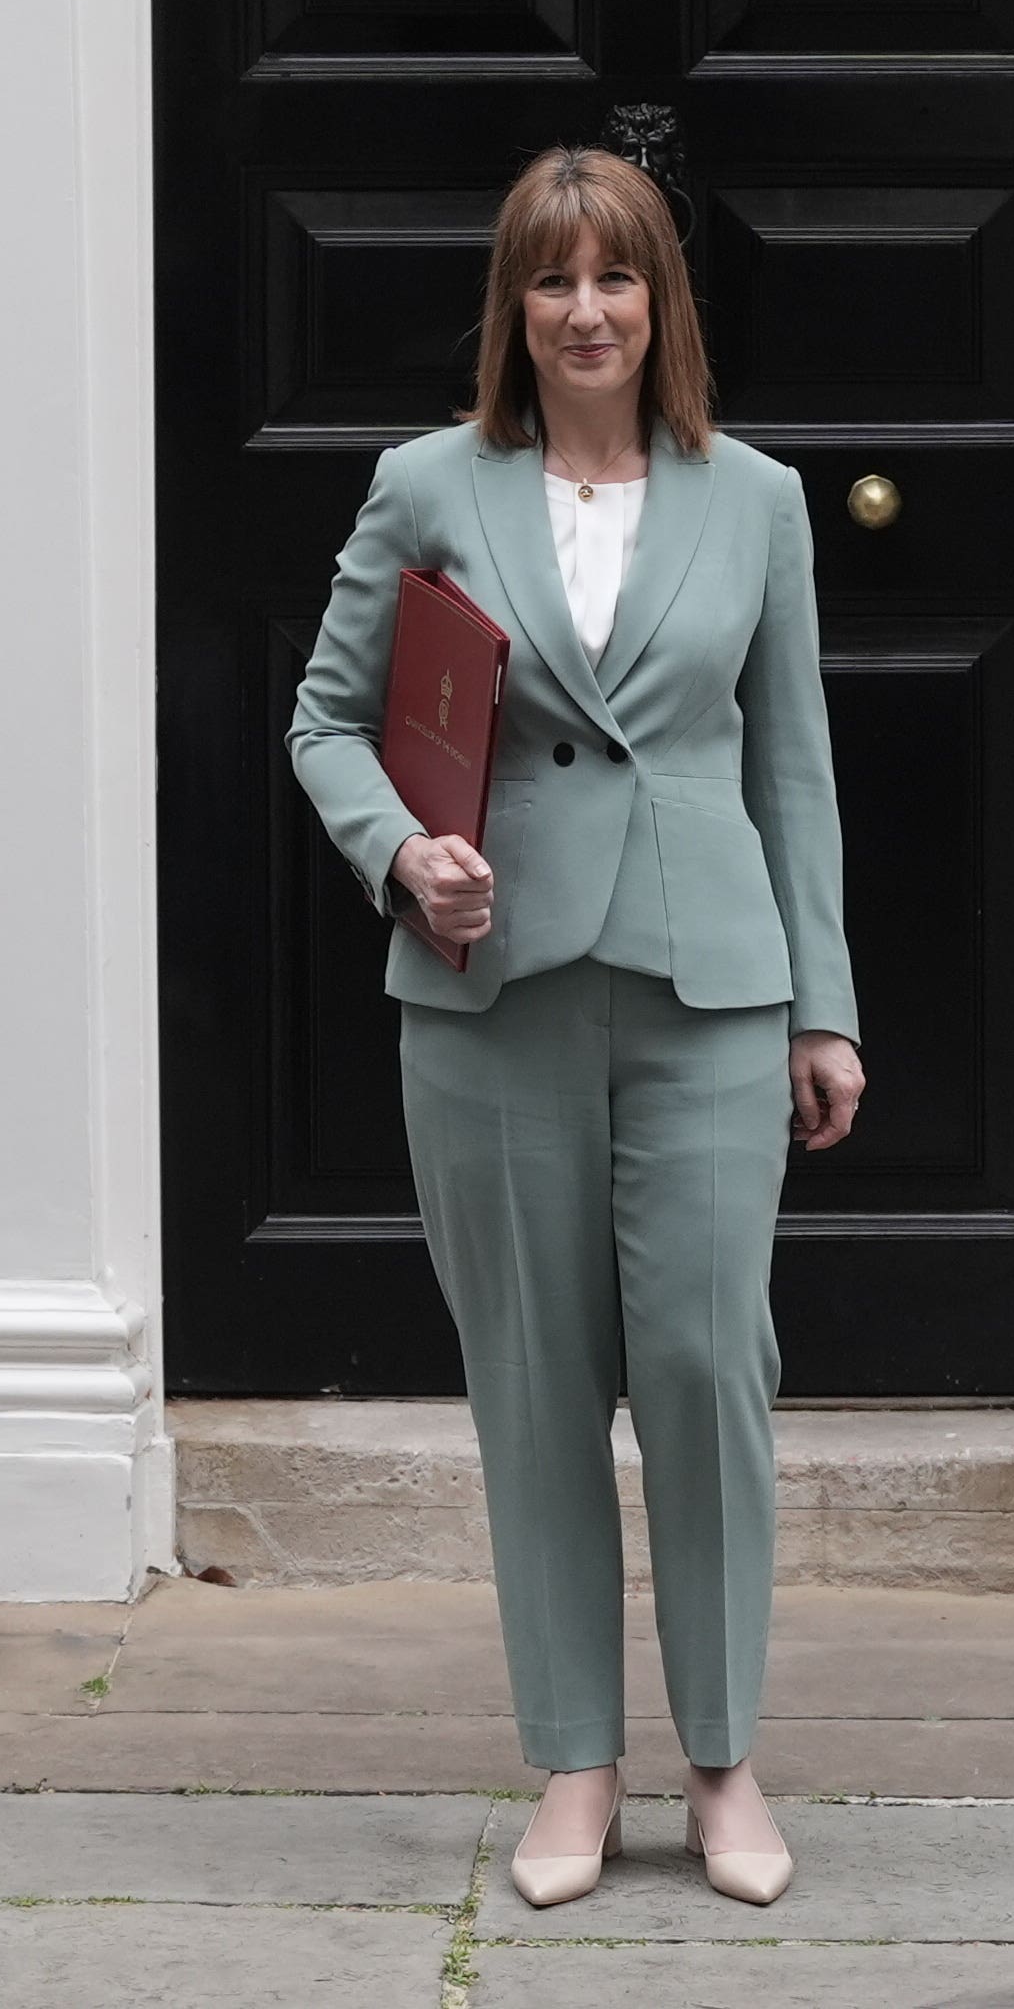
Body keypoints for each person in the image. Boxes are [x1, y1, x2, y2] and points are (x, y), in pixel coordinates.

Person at [286, 144, 866, 1909]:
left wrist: (823, 1010)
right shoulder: (427, 488)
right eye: (553, 281)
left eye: (616, 279)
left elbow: (794, 765)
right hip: (490, 995)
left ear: (659, 302)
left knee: (706, 1373)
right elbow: (325, 724)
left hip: (709, 992)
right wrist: (405, 858)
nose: (586, 312)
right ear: (513, 308)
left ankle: (725, 1765)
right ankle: (572, 1768)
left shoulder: (752, 498)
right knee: (533, 1383)